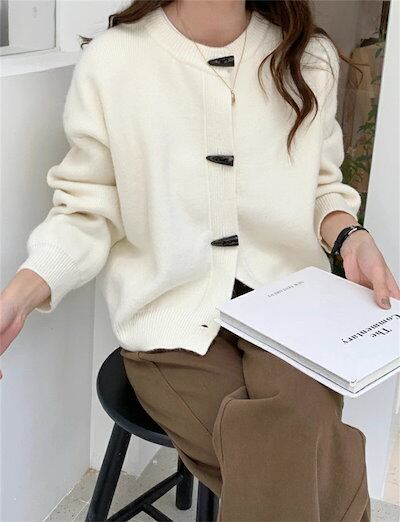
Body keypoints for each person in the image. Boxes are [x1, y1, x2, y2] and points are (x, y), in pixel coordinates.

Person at [1, 0, 399, 519]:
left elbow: (324, 188)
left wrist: (350, 236)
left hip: (289, 310)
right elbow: (87, 210)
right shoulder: (115, 61)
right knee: (305, 450)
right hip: (169, 318)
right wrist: (21, 295)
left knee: (296, 435)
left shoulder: (308, 58)